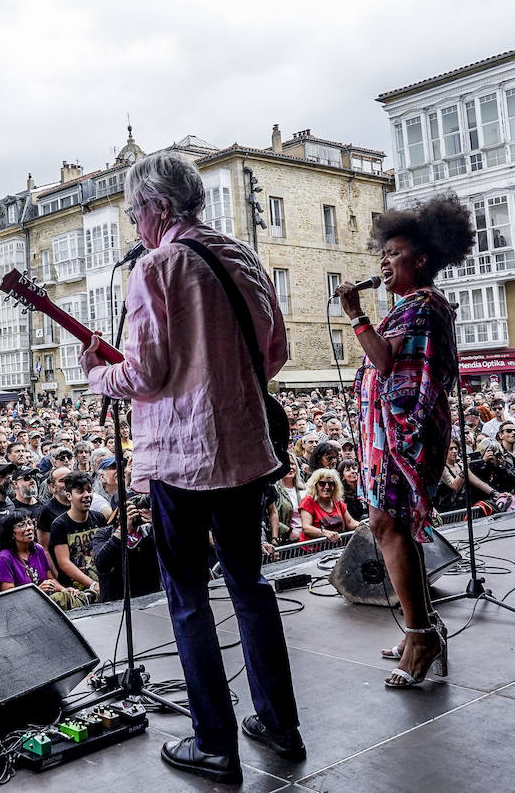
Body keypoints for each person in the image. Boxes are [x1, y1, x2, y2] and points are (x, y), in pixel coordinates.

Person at [80, 153, 304, 782]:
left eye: (133, 213)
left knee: (187, 599)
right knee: (250, 586)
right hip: (247, 451)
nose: (133, 227)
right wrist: (222, 382)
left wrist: (97, 371)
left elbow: (147, 373)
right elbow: (276, 350)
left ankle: (215, 742)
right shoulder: (241, 257)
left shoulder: (158, 267)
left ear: (155, 207)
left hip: (183, 458)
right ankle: (280, 725)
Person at [336, 192, 472, 691]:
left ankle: (420, 638)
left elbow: (387, 362)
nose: (385, 263)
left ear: (421, 259)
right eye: (383, 255)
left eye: (393, 254)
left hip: (407, 438)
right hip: (394, 436)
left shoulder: (422, 306)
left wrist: (356, 316)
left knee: (387, 526)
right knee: (393, 527)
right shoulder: (413, 307)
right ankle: (424, 626)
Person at [297, 468, 359, 543]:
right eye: (322, 483)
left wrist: (367, 526)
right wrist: (324, 533)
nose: (326, 487)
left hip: (335, 548)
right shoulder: (308, 501)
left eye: (330, 484)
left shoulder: (337, 501)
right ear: (315, 485)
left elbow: (350, 523)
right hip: (312, 550)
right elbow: (306, 528)